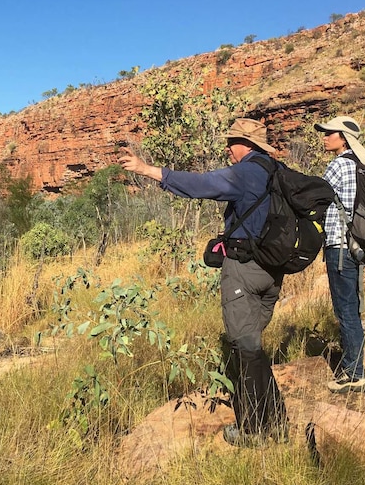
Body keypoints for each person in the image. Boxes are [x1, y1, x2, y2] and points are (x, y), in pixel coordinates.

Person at [118, 118, 288, 448]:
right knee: (253, 345)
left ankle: (257, 430)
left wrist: (148, 170)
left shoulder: (247, 172)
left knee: (246, 349)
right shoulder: (277, 170)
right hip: (273, 269)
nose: (228, 146)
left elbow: (202, 185)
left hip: (245, 269)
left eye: (233, 140)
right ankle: (277, 421)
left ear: (248, 144)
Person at [314, 116, 365, 393]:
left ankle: (354, 373)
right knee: (352, 306)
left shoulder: (338, 165)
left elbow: (318, 200)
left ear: (344, 138)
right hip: (358, 245)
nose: (325, 137)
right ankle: (355, 365)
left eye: (329, 133)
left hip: (339, 246)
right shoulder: (361, 165)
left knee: (345, 309)